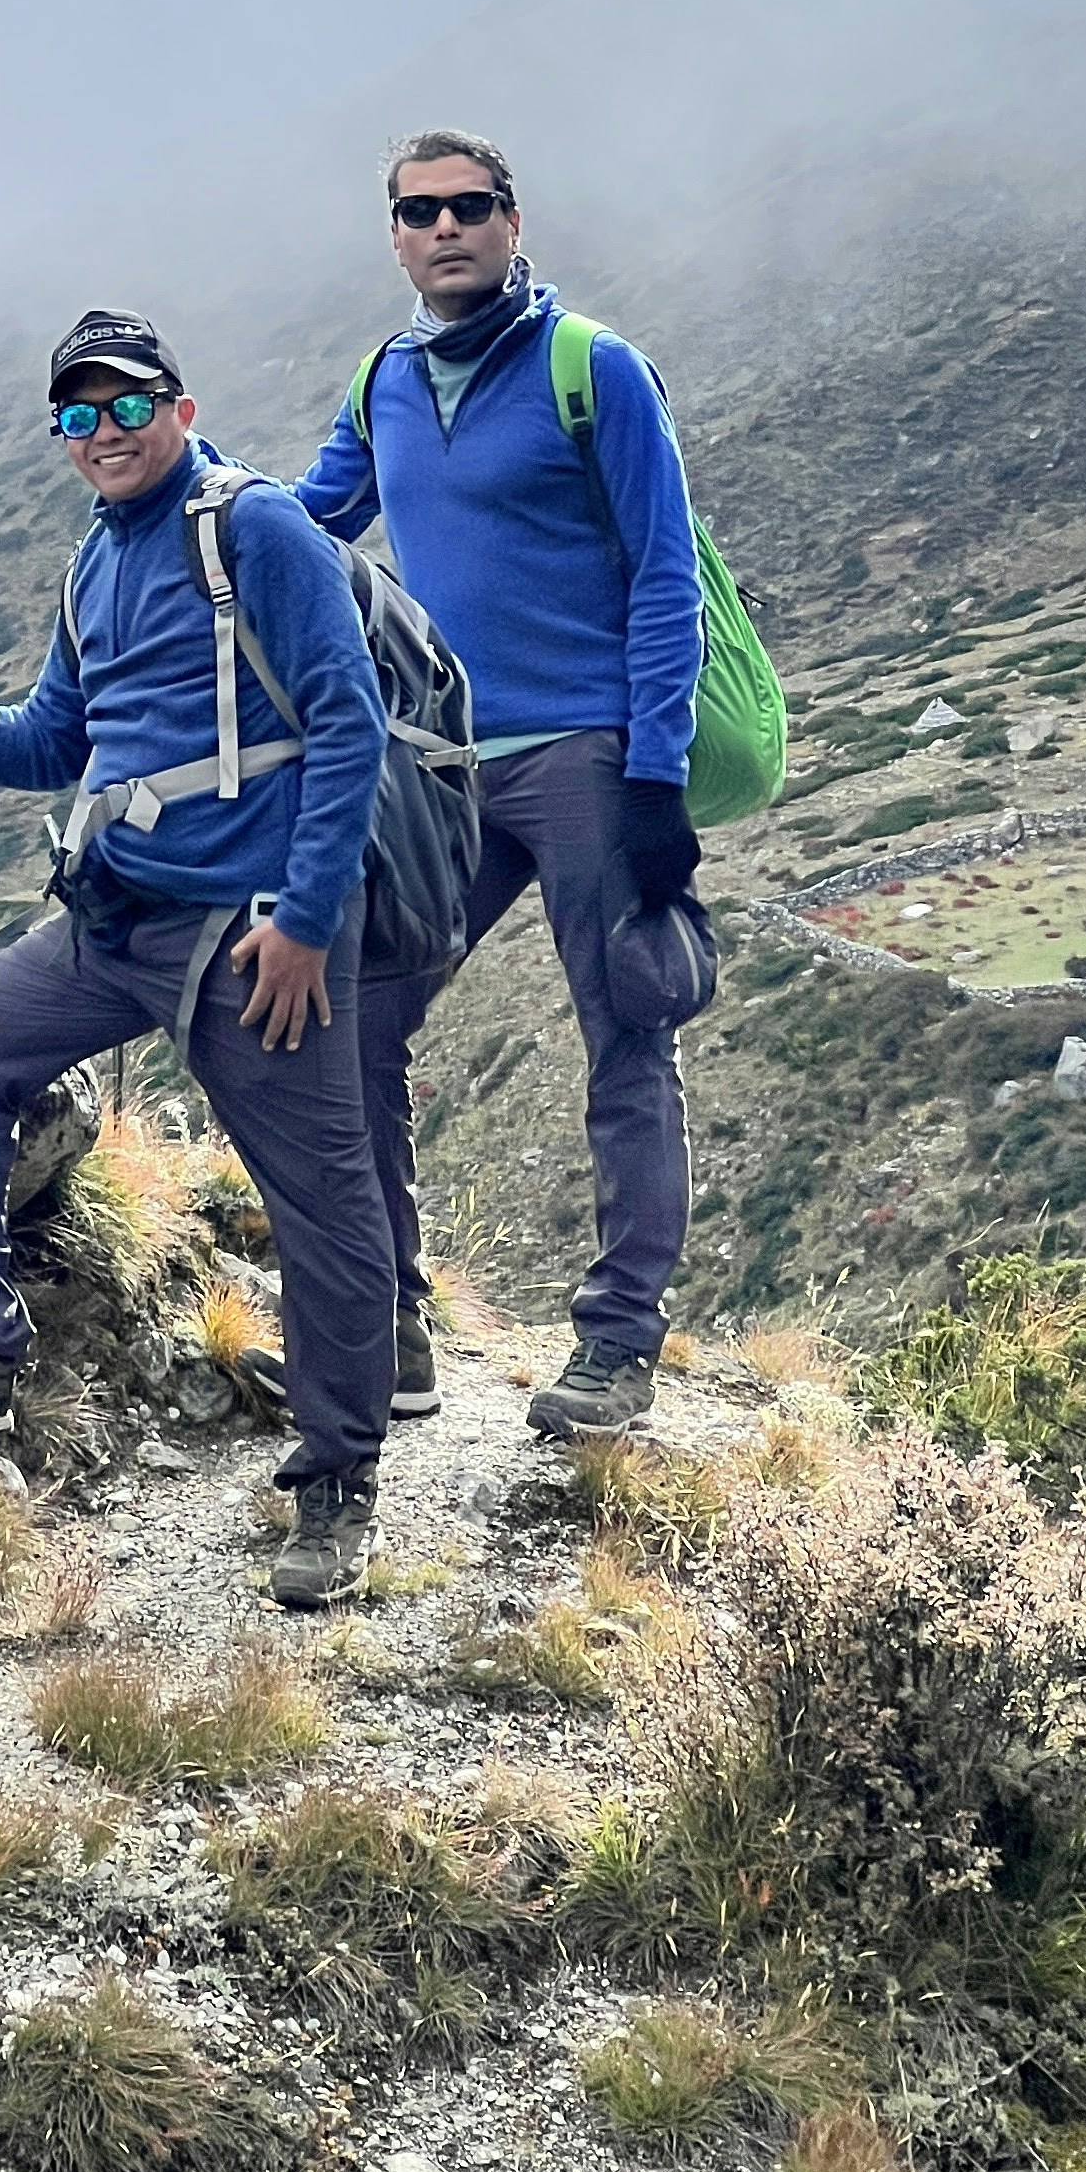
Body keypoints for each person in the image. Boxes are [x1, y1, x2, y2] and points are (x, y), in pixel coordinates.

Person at [0, 310, 400, 1609]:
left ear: (180, 408)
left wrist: (305, 917)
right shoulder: (94, 564)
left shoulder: (254, 532)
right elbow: (45, 746)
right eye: (76, 415)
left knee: (321, 1197)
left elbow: (351, 728)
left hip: (253, 937)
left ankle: (340, 1478)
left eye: (125, 404)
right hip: (113, 927)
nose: (102, 431)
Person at [297, 131, 704, 1440]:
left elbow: (664, 576)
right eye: (419, 213)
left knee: (625, 1035)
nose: (445, 229)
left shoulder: (596, 370)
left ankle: (619, 1345)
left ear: (513, 221)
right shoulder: (382, 382)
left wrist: (655, 781)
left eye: (470, 207)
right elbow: (310, 522)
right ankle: (391, 1325)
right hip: (448, 769)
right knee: (355, 1015)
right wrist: (160, 479)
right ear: (396, 237)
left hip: (588, 754)